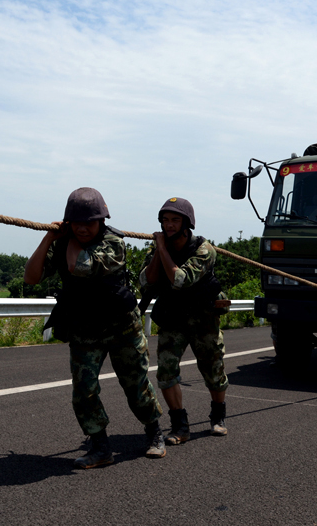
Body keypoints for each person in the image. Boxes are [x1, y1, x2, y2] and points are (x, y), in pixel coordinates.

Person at [24, 187, 166, 468]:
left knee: (136, 385)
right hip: (84, 329)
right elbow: (31, 276)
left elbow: (80, 266)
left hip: (122, 328)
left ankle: (155, 433)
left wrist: (68, 241)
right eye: (76, 223)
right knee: (84, 390)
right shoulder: (63, 241)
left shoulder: (114, 243)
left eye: (89, 222)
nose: (83, 228)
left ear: (102, 220)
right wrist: (49, 239)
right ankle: (100, 446)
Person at [139, 197, 230, 444]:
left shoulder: (204, 249)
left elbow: (180, 279)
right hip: (173, 317)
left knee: (213, 370)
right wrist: (159, 250)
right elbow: (146, 281)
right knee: (166, 373)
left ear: (186, 222)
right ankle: (180, 426)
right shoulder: (158, 247)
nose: (169, 225)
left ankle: (218, 417)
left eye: (175, 220)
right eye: (165, 220)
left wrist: (163, 250)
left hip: (203, 318)